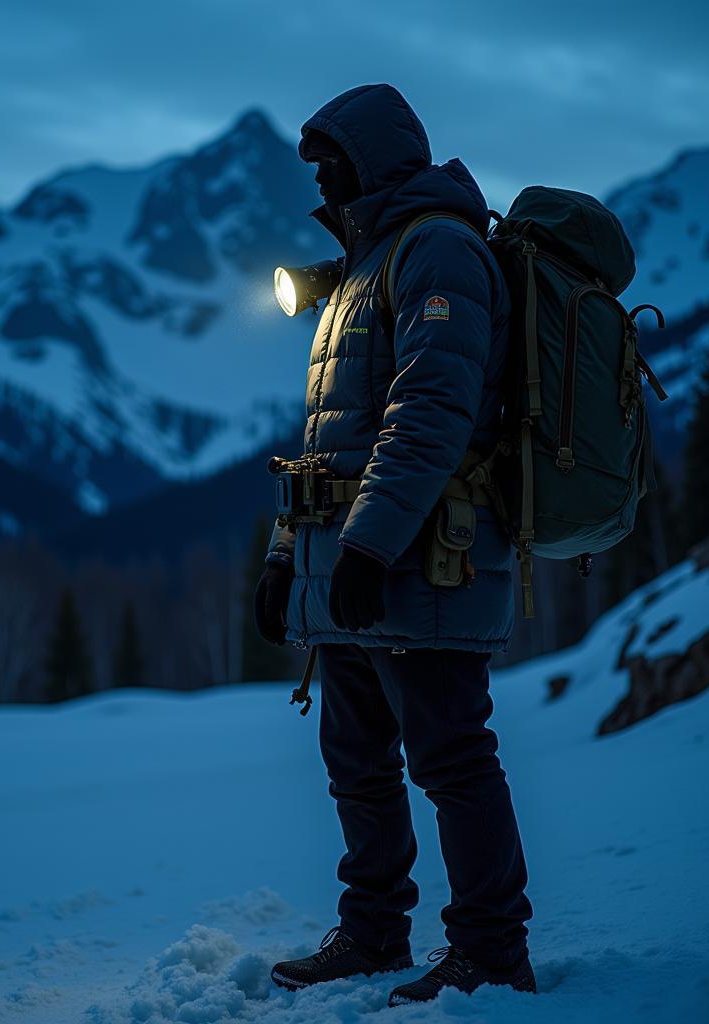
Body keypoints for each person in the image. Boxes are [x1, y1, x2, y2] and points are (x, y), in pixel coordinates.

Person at [254, 84, 536, 1006]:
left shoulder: (438, 250)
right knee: (359, 762)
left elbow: (433, 415)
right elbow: (326, 441)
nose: (320, 181)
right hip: (353, 569)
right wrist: (282, 560)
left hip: (425, 562)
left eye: (329, 162)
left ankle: (491, 951)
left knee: (452, 756)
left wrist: (370, 546)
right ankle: (374, 933)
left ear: (370, 161)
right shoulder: (361, 267)